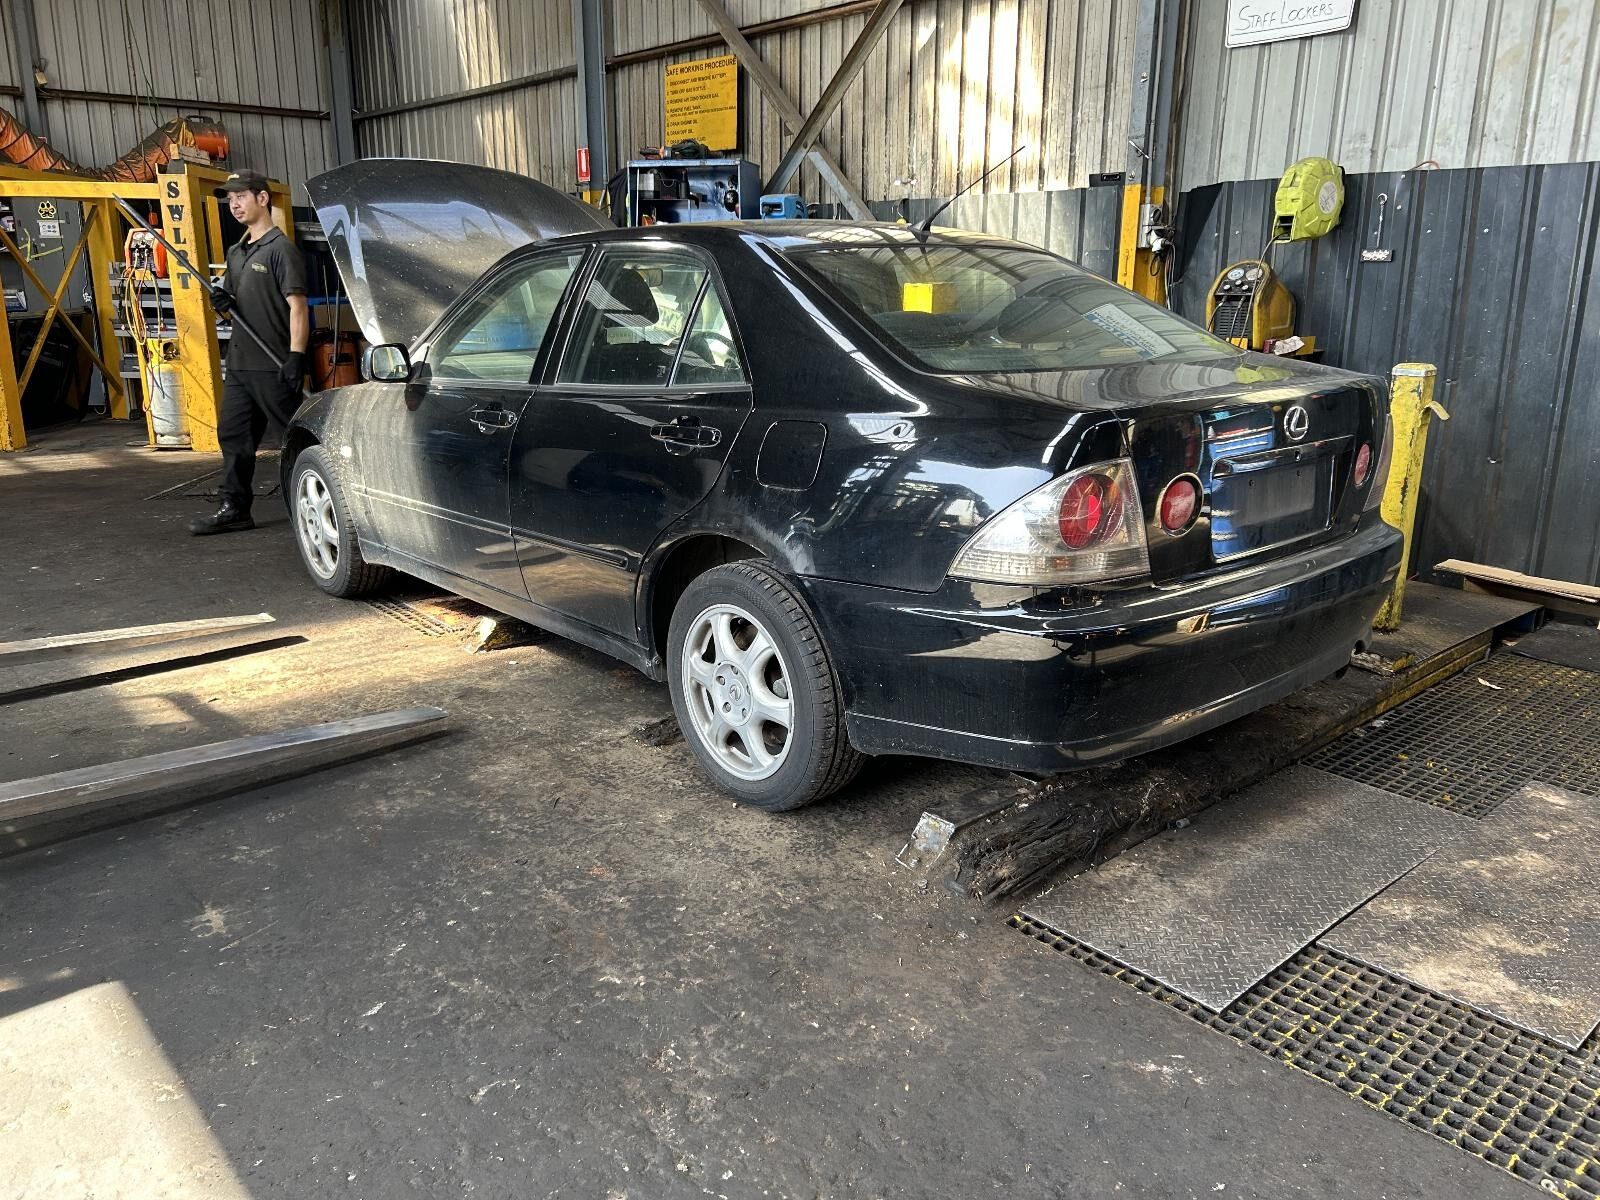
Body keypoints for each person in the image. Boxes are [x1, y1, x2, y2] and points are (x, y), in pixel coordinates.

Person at [189, 169, 309, 535]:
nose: (234, 204)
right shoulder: (236, 252)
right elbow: (234, 309)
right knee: (234, 436)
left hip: (274, 365)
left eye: (241, 196)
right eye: (230, 199)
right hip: (241, 364)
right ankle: (235, 508)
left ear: (262, 198)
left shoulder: (281, 250)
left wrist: (297, 356)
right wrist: (222, 304)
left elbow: (298, 307)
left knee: (296, 440)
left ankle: (313, 506)